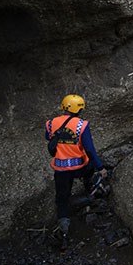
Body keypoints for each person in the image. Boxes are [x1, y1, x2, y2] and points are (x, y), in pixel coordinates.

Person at [45, 94, 107, 248]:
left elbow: (48, 138)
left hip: (60, 168)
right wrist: (101, 167)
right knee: (89, 168)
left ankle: (64, 233)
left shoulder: (50, 123)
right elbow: (90, 150)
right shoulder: (82, 125)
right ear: (79, 109)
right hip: (79, 167)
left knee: (62, 199)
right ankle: (91, 190)